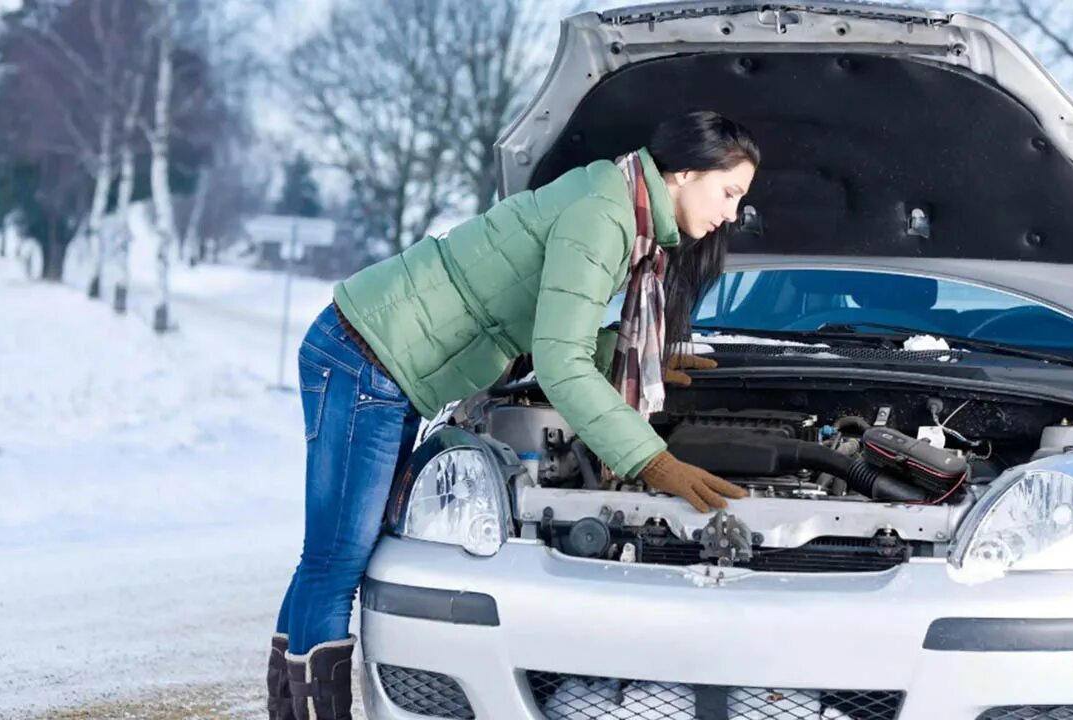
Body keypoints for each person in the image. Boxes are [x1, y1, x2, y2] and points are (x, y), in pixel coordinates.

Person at [268, 110, 761, 720]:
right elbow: (559, 362)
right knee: (338, 558)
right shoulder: (603, 216)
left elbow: (545, 316)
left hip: (379, 358)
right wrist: (650, 460)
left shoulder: (613, 199)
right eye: (730, 192)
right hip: (366, 355)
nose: (732, 213)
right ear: (686, 172)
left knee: (329, 554)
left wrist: (632, 358)